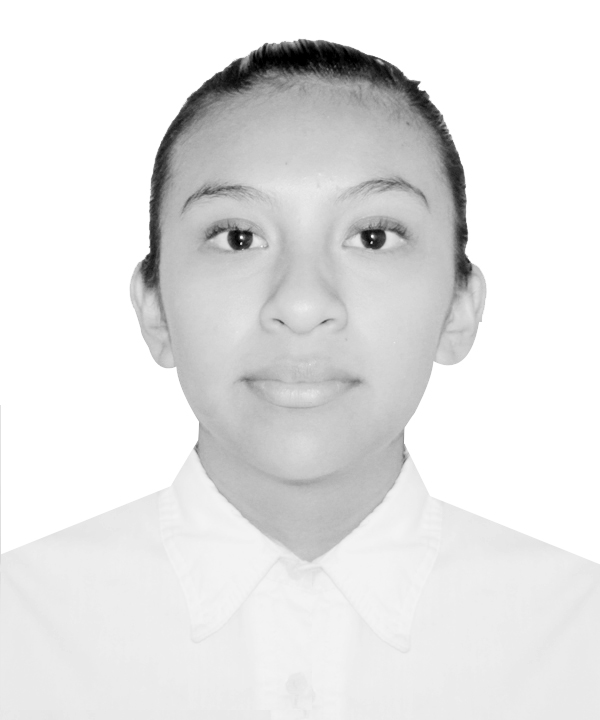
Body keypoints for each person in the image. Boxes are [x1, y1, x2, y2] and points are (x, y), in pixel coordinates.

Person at [1, 39, 598, 720]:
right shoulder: (18, 631)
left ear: (459, 308)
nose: (303, 302)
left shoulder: (580, 639)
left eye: (373, 236)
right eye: (237, 237)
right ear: (155, 308)